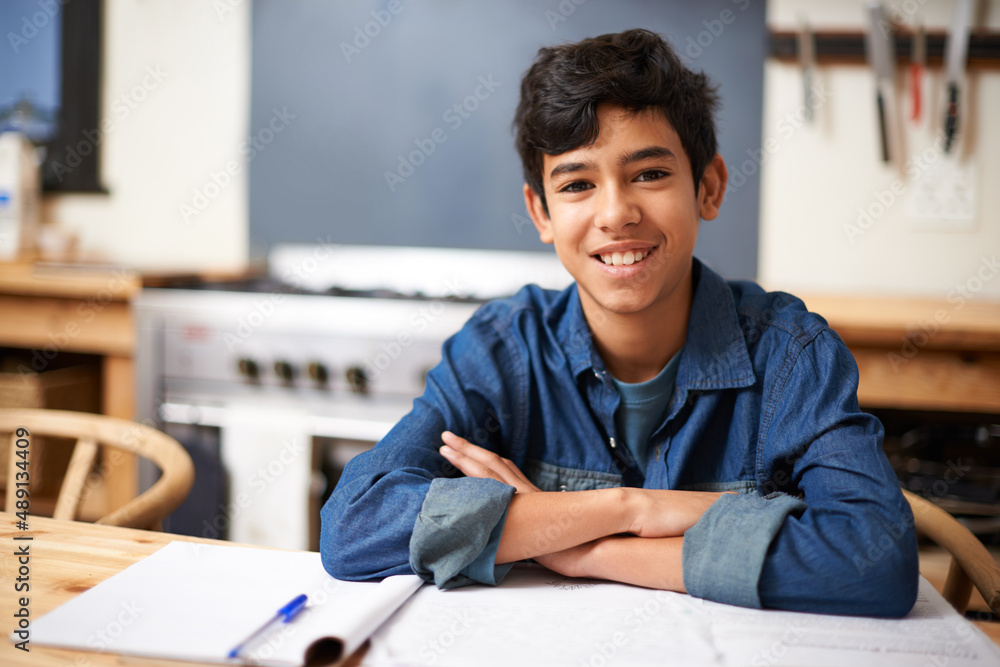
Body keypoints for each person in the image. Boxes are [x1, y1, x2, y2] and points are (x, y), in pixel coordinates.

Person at [320, 28, 918, 617]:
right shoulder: (503, 351)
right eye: (578, 184)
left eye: (650, 174)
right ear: (542, 212)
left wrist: (587, 553)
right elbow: (355, 526)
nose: (616, 213)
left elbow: (875, 559)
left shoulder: (792, 355)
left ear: (707, 187)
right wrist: (630, 509)